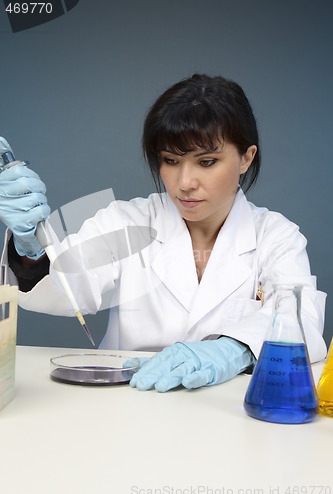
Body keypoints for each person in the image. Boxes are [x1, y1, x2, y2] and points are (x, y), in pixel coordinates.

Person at [0, 74, 327, 392]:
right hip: (127, 406)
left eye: (207, 161)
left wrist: (236, 348)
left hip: (228, 413)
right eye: (171, 160)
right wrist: (30, 249)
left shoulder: (276, 236)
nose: (184, 182)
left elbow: (302, 321)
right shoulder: (125, 221)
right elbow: (67, 288)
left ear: (246, 158)